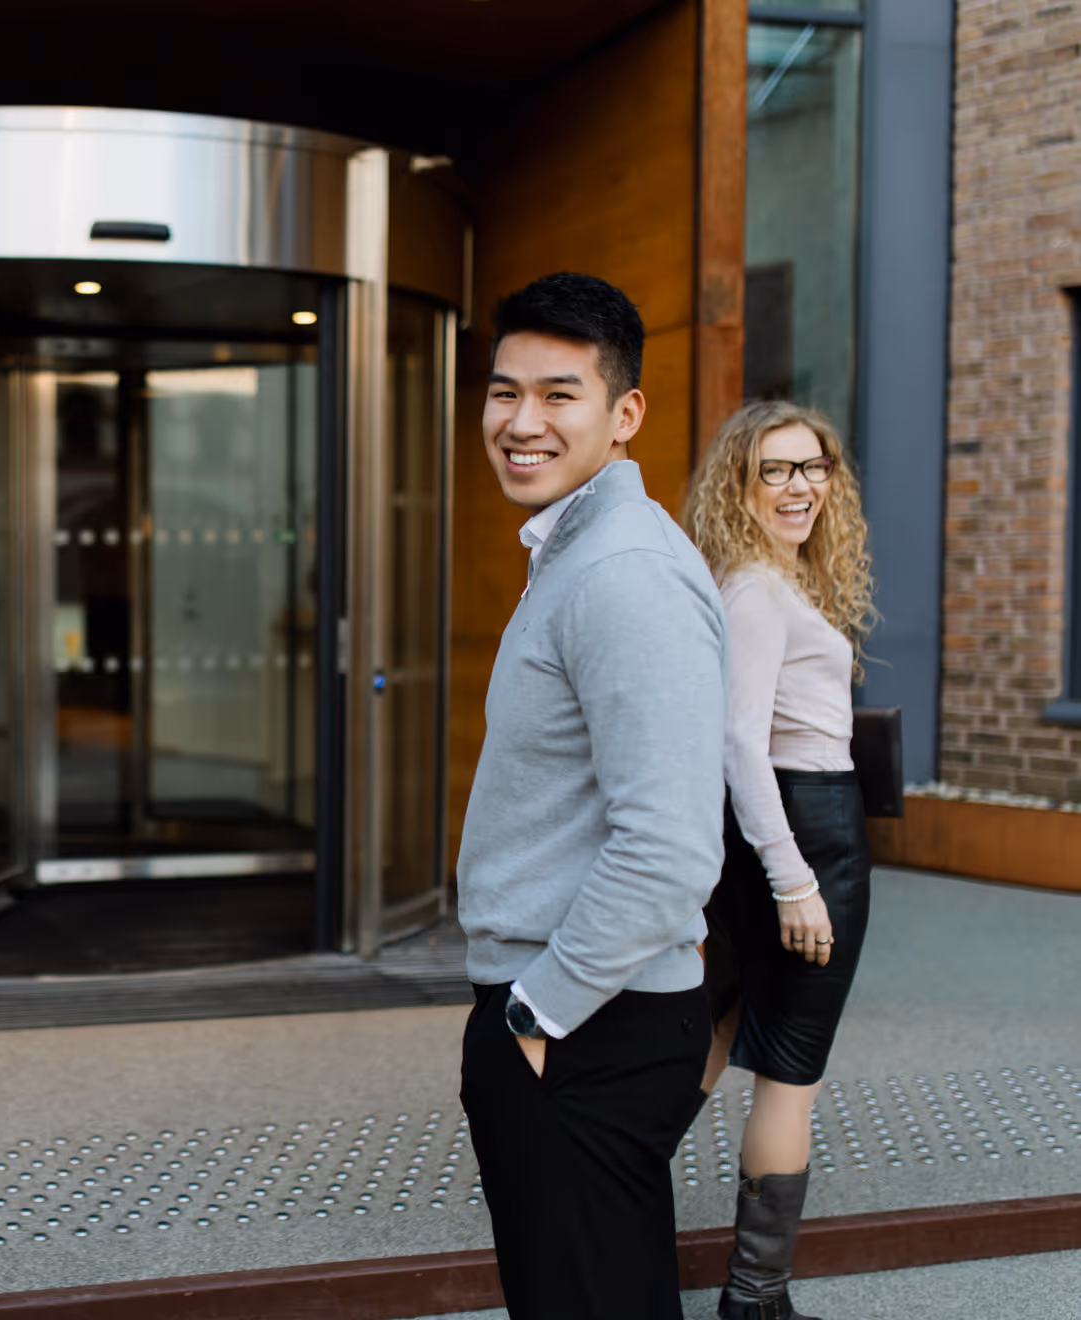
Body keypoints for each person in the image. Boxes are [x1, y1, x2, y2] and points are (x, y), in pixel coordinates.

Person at [456, 272, 727, 1319]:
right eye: (503, 392)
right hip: (576, 1016)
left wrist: (535, 1016)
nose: (522, 423)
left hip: (581, 1023)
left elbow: (666, 850)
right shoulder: (574, 554)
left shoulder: (622, 573)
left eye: (559, 394)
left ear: (625, 415)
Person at [684, 400, 876, 1320]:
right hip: (803, 833)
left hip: (791, 827)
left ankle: (595, 1209)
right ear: (740, 483)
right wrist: (797, 880)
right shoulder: (759, 588)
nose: (800, 487)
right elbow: (737, 743)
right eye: (776, 470)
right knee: (790, 1067)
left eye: (814, 467)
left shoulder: (777, 580)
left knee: (718, 1031)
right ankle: (755, 1299)